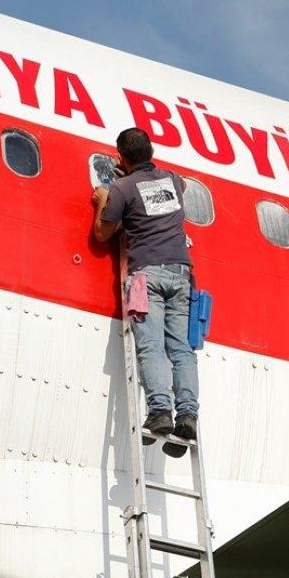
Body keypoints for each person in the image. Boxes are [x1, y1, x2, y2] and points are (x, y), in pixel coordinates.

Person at [91, 127, 199, 456]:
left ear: (121, 156)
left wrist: (102, 201)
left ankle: (160, 412)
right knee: (181, 350)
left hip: (146, 276)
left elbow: (102, 234)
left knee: (150, 347)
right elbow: (163, 195)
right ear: (151, 151)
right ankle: (189, 414)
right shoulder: (173, 180)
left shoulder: (122, 188)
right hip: (181, 274)